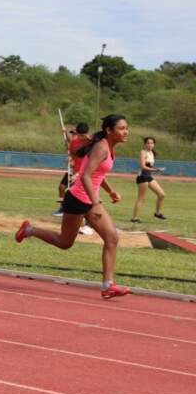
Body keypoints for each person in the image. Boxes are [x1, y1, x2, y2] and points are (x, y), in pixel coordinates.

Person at [15, 114, 132, 299]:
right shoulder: (102, 147)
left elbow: (96, 174)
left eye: (126, 128)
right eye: (122, 128)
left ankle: (108, 285)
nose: (126, 132)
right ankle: (29, 230)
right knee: (66, 243)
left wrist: (110, 191)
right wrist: (96, 204)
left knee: (111, 238)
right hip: (78, 199)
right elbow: (85, 175)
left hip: (88, 200)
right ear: (109, 130)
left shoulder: (108, 147)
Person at [53, 122, 90, 216]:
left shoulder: (91, 142)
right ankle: (62, 209)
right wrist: (71, 159)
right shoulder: (74, 141)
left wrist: (78, 174)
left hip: (83, 172)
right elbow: (72, 153)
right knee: (62, 187)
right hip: (73, 170)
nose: (79, 136)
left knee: (77, 193)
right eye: (78, 134)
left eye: (82, 135)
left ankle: (85, 216)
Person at [131, 137, 166, 223]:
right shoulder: (143, 152)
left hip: (149, 176)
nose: (150, 145)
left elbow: (149, 166)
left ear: (154, 144)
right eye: (148, 143)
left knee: (161, 194)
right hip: (142, 177)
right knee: (141, 198)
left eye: (152, 143)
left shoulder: (152, 153)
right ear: (145, 144)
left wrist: (155, 169)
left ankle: (157, 213)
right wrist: (156, 170)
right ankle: (134, 218)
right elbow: (143, 166)